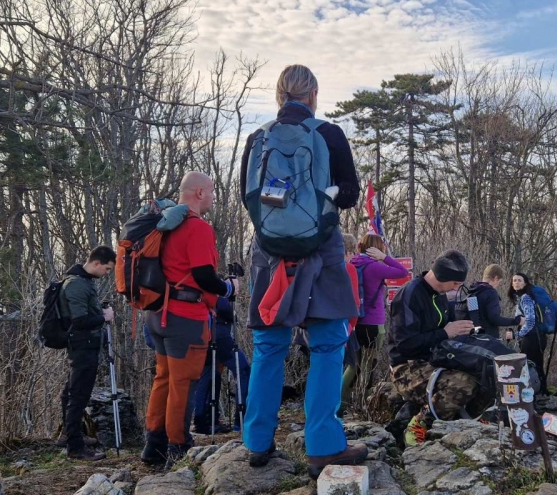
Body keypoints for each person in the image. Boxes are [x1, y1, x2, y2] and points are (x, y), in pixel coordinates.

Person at [241, 64, 367, 479]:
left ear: (279, 96)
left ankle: (257, 444)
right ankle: (324, 446)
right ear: (312, 94)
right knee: (328, 346)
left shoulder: (257, 139)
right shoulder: (328, 134)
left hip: (269, 254)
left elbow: (252, 199)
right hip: (321, 251)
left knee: (268, 347)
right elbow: (348, 195)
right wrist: (320, 198)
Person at [141, 171, 238, 466]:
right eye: (211, 192)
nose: (212, 197)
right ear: (198, 193)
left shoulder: (165, 223)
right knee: (182, 383)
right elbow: (204, 276)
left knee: (164, 379)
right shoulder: (196, 227)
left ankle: (153, 446)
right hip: (185, 317)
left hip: (157, 314)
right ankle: (179, 447)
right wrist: (229, 288)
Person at [388, 250, 480, 446]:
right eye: (455, 284)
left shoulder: (440, 296)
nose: (457, 288)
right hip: (406, 367)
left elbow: (446, 329)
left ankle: (467, 422)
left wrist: (465, 334)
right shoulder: (410, 294)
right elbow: (405, 344)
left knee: (480, 370)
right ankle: (419, 425)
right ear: (442, 277)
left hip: (435, 359)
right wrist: (445, 333)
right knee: (463, 383)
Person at [59, 245, 116, 461]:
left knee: (71, 390)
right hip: (82, 345)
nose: (107, 273)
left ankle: (71, 435)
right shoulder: (76, 285)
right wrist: (104, 317)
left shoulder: (83, 282)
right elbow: (80, 320)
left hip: (85, 344)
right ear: (96, 263)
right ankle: (75, 447)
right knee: (78, 395)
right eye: (107, 269)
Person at [342, 233, 408, 405]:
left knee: (355, 362)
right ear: (377, 249)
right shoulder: (375, 267)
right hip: (373, 322)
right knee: (367, 363)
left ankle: (345, 397)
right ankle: (354, 399)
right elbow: (403, 272)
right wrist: (384, 257)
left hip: (355, 320)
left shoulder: (352, 263)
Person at [191, 297, 251, 434]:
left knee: (207, 375)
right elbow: (224, 309)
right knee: (243, 370)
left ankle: (202, 423)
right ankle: (241, 420)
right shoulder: (218, 287)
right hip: (220, 333)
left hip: (202, 334)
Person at [507, 272, 555, 394]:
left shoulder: (526, 298)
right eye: (514, 281)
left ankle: (536, 394)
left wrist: (516, 335)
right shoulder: (524, 297)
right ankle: (542, 391)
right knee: (537, 365)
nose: (516, 283)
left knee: (530, 367)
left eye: (519, 280)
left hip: (532, 338)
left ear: (526, 283)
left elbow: (530, 321)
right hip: (538, 337)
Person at [459, 264, 524, 340]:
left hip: (471, 339)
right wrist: (517, 321)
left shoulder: (472, 291)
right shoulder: (491, 293)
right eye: (499, 282)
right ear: (495, 278)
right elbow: (494, 318)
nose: (498, 285)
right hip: (487, 339)